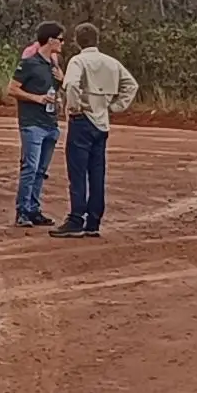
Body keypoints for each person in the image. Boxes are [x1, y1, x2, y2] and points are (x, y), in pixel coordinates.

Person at [57, 24, 137, 237]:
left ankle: (76, 218)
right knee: (97, 172)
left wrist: (75, 107)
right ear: (97, 39)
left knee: (78, 173)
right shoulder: (111, 63)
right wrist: (115, 107)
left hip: (82, 120)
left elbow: (72, 85)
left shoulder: (78, 61)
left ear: (77, 40)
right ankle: (93, 221)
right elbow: (131, 85)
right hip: (102, 121)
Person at [10, 22, 65, 226]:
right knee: (30, 168)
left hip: (50, 122)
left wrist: (61, 79)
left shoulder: (53, 65)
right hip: (32, 123)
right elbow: (12, 89)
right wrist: (37, 98)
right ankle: (22, 211)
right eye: (59, 39)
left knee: (41, 170)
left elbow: (56, 90)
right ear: (50, 40)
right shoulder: (29, 63)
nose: (62, 43)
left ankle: (33, 208)